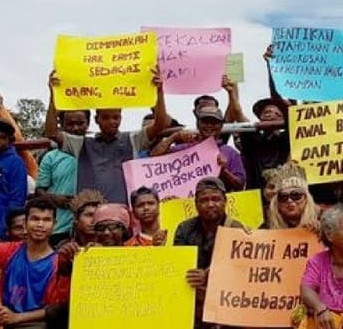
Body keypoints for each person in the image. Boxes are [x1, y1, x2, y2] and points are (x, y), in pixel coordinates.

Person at [43, 69, 171, 204]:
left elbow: (160, 124)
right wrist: (54, 96)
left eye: (116, 117)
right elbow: (51, 132)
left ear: (121, 118)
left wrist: (159, 92)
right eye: (106, 118)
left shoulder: (133, 139)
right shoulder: (81, 144)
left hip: (123, 211)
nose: (111, 122)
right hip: (90, 214)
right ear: (97, 119)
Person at [0, 199, 62, 329]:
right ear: (25, 223)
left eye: (46, 220)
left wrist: (16, 317)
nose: (40, 224)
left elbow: (53, 309)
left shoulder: (58, 263)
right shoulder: (11, 250)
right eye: (35, 219)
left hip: (31, 322)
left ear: (54, 225)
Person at [177, 177, 246, 329]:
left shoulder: (236, 228)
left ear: (225, 201)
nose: (210, 204)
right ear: (195, 204)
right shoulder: (184, 229)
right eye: (204, 200)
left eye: (216, 199)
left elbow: (239, 268)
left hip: (227, 305)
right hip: (194, 305)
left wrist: (208, 275)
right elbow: (179, 266)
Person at [150, 105, 247, 192]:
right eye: (205, 121)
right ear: (198, 124)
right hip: (184, 206)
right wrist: (173, 137)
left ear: (221, 126)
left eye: (214, 122)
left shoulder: (230, 152)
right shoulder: (184, 148)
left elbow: (240, 185)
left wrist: (223, 170)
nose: (209, 126)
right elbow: (153, 158)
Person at [36, 109, 90, 245]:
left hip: (90, 229)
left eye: (80, 123)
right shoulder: (50, 157)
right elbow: (39, 190)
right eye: (70, 124)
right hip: (58, 228)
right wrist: (54, 198)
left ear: (88, 123)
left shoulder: (97, 151)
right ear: (61, 125)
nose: (75, 128)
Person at [262, 166, 319, 231]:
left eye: (296, 195)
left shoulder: (322, 222)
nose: (289, 200)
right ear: (277, 203)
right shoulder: (266, 228)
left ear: (306, 199)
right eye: (283, 196)